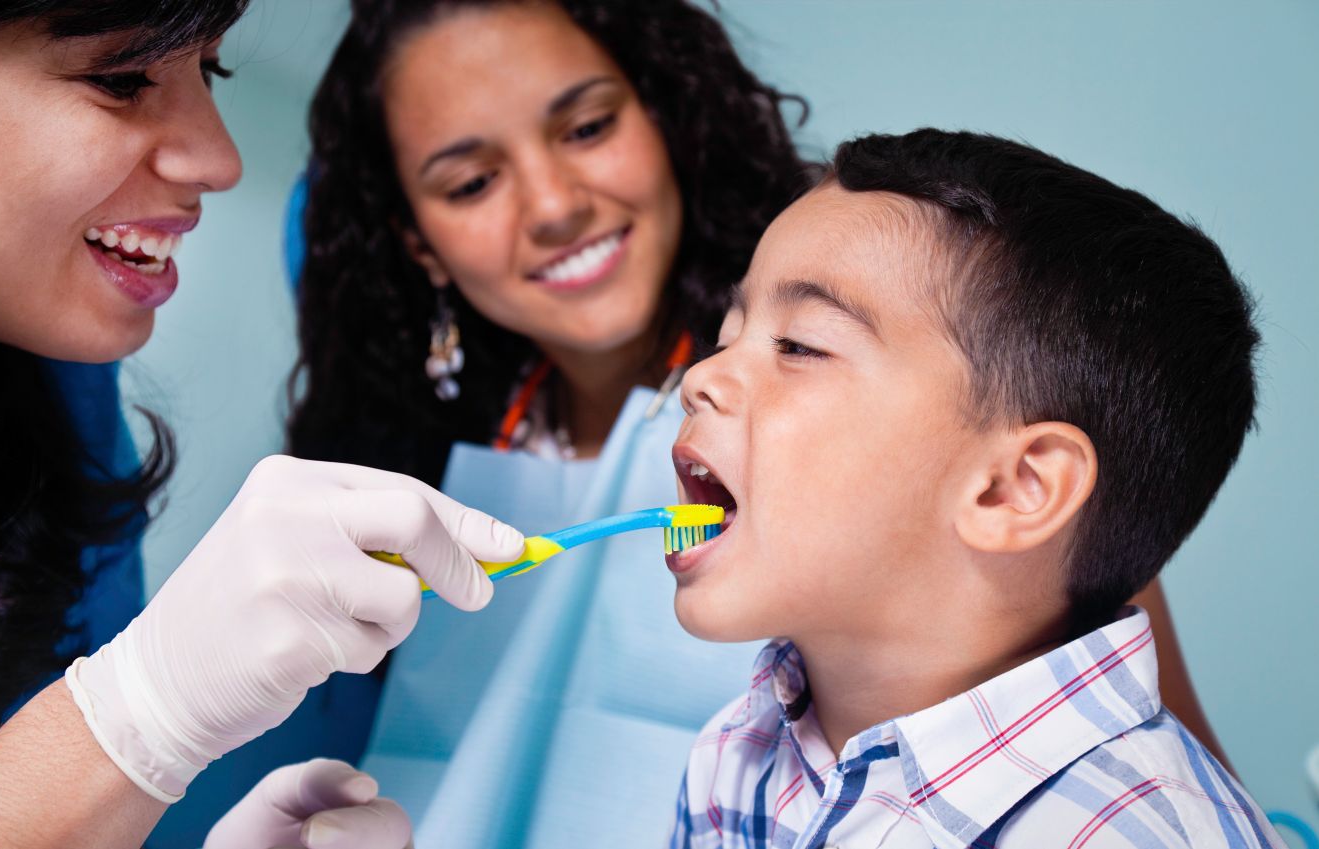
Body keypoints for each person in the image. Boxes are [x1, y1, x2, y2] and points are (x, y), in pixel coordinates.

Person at [285, 1, 1227, 845]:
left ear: (667, 118)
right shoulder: (734, 756)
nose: (554, 206)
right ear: (418, 240)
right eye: (469, 183)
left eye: (586, 126)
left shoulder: (976, 401)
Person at [0, 3, 518, 848]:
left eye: (209, 72)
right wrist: (137, 717)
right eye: (122, 78)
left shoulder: (46, 393)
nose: (218, 160)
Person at [667, 129, 1278, 847]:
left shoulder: (1130, 833)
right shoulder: (733, 755)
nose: (700, 376)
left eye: (800, 344)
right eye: (729, 330)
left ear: (1012, 488)